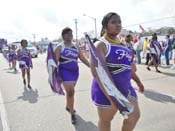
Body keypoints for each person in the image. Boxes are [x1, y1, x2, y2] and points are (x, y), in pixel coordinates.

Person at [90, 12, 144, 131]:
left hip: (126, 88)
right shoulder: (100, 44)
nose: (118, 25)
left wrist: (139, 82)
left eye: (119, 22)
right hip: (106, 90)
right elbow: (97, 73)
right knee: (106, 121)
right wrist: (111, 95)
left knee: (134, 116)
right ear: (105, 26)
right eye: (113, 22)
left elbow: (129, 69)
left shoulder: (124, 46)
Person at [54, 27, 89, 124]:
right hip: (64, 72)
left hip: (75, 72)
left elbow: (82, 58)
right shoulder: (59, 47)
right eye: (68, 34)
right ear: (63, 35)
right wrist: (54, 75)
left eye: (71, 34)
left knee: (70, 92)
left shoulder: (76, 46)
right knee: (71, 92)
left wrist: (91, 67)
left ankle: (68, 106)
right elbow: (55, 62)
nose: (70, 36)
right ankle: (72, 113)